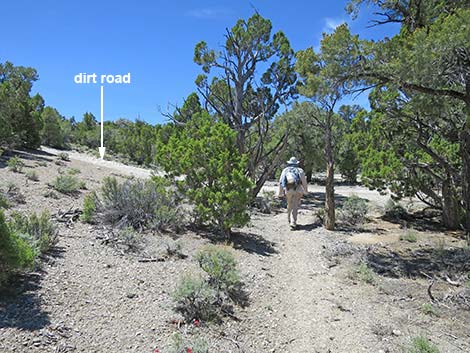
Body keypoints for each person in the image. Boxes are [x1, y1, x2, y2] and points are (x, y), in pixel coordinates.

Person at [278, 157, 308, 228]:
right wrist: (306, 191)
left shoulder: (285, 170)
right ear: (296, 163)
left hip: (288, 189)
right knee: (295, 205)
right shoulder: (300, 170)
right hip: (297, 189)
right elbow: (304, 181)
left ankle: (289, 218)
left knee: (289, 203)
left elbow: (281, 181)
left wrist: (280, 192)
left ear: (289, 163)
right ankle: (293, 222)